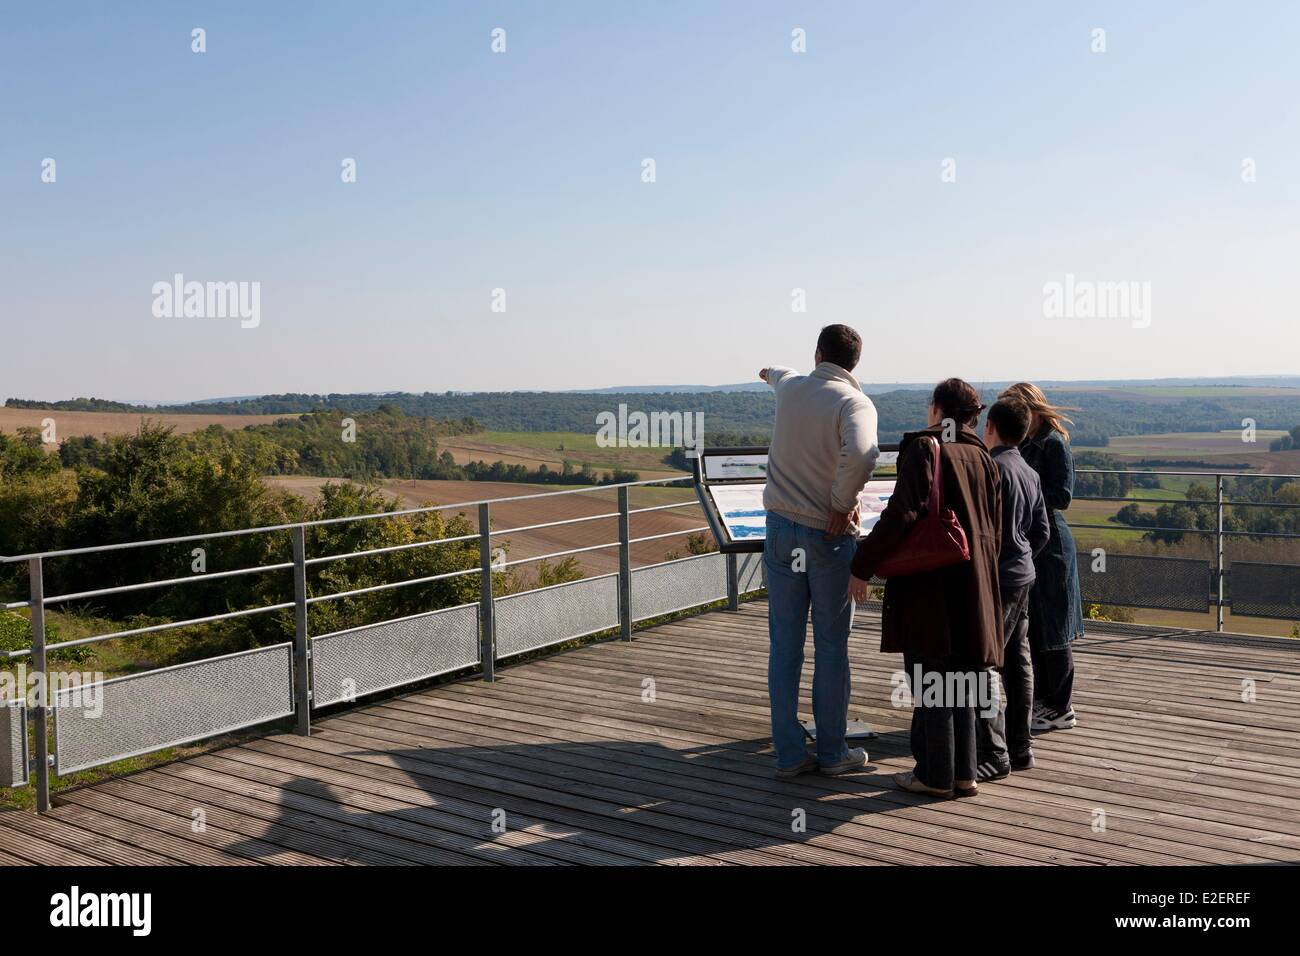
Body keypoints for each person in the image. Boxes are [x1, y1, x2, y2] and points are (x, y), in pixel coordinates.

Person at [848, 378, 1003, 798]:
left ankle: (934, 776)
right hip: (976, 586)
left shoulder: (925, 447)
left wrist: (861, 566)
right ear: (974, 415)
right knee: (964, 681)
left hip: (931, 585)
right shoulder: (983, 456)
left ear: (936, 408)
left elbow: (902, 514)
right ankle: (964, 774)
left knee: (933, 678)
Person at [759, 324, 880, 778]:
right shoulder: (854, 402)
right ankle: (832, 752)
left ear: (817, 354)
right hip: (827, 537)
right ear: (856, 362)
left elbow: (780, 374)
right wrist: (841, 504)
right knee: (831, 646)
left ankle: (789, 754)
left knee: (784, 646)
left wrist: (767, 370)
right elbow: (865, 452)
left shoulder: (791, 390)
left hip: (780, 530)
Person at [999, 382, 1084, 732]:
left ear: (1033, 409)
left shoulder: (1052, 444)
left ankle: (1060, 706)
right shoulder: (1026, 442)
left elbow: (1063, 494)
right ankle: (1042, 701)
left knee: (1055, 628)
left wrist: (1027, 495)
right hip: (1034, 541)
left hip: (1053, 546)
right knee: (1036, 627)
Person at [975, 398, 1050, 781]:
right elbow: (1042, 531)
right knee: (1018, 662)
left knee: (982, 662)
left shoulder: (992, 469)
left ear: (990, 427)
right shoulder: (1029, 471)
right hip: (1024, 577)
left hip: (998, 579)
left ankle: (993, 752)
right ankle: (1022, 748)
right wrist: (1023, 558)